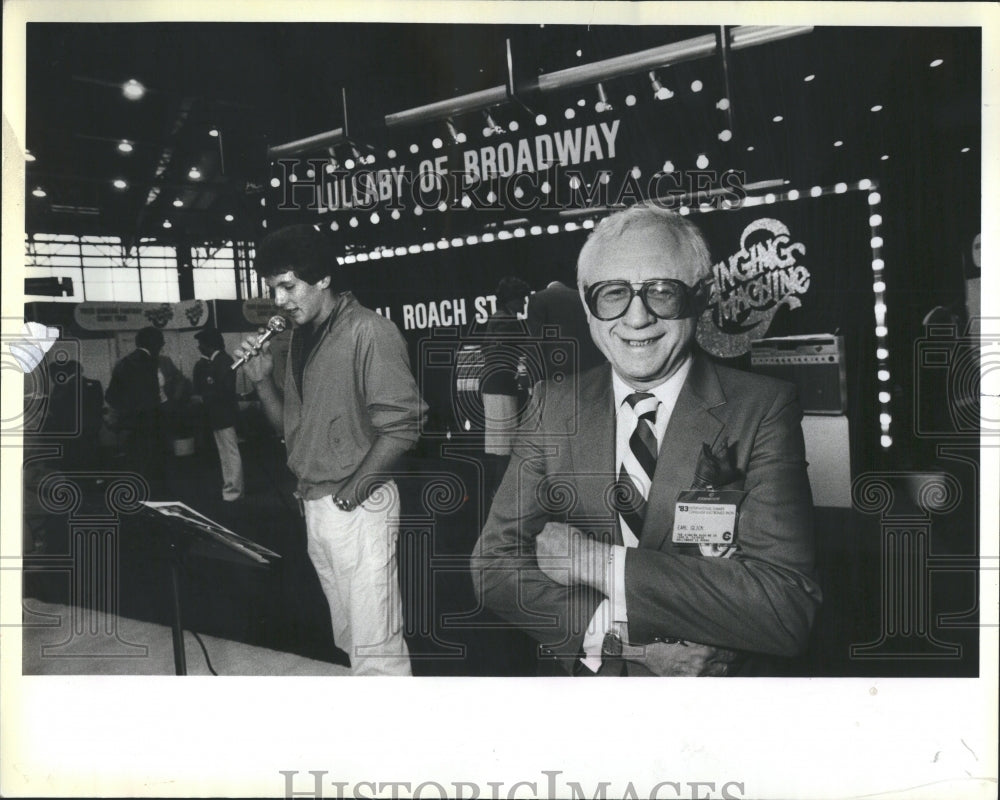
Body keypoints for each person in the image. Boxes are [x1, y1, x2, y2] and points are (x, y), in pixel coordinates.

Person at [471, 203, 821, 676]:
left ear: (701, 296)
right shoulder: (553, 406)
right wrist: (627, 646)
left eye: (662, 291)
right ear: (588, 305)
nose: (637, 319)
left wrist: (599, 563)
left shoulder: (762, 410)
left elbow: (785, 608)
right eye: (613, 293)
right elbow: (493, 566)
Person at [235, 224, 426, 676]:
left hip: (357, 504)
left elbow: (405, 425)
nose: (279, 300)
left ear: (322, 279)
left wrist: (352, 492)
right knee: (349, 633)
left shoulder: (369, 332)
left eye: (288, 286)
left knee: (376, 642)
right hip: (316, 502)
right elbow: (291, 430)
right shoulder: (301, 338)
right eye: (272, 289)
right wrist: (262, 380)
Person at [479, 276, 531, 500]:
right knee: (504, 446)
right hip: (500, 386)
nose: (524, 304)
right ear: (511, 300)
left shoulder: (497, 318)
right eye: (521, 299)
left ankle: (499, 492)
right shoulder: (506, 321)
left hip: (496, 385)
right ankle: (501, 494)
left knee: (500, 444)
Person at [105, 326, 166, 481]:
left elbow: (111, 395)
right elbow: (154, 396)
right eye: (161, 342)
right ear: (155, 344)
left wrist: (126, 410)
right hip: (151, 421)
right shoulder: (151, 363)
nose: (163, 345)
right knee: (151, 465)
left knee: (134, 464)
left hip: (129, 423)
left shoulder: (123, 363)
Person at [192, 327, 244, 502]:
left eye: (201, 344)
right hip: (216, 416)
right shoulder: (209, 363)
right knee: (225, 454)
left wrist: (203, 398)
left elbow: (225, 390)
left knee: (230, 453)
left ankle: (234, 491)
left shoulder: (224, 361)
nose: (199, 347)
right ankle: (230, 488)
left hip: (224, 415)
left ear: (209, 345)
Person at [526, 279, 605, 375]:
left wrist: (532, 373)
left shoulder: (538, 298)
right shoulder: (582, 297)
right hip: (588, 364)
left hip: (556, 367)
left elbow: (535, 339)